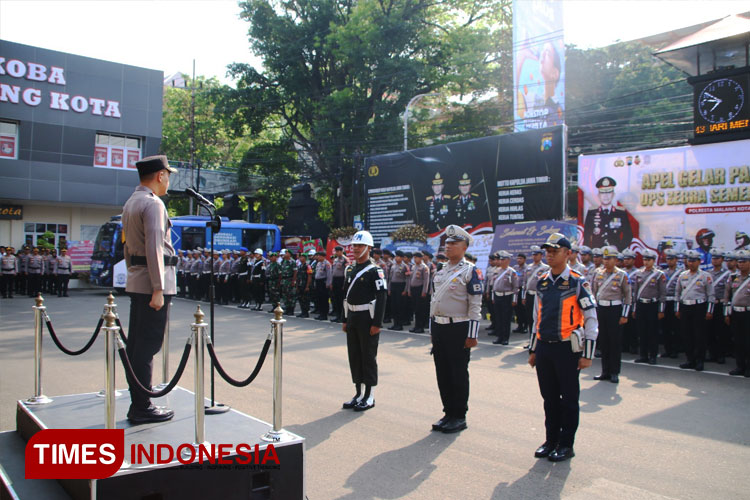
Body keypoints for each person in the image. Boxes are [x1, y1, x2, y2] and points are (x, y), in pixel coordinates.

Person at [528, 233, 598, 462]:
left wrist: (587, 354)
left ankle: (566, 444)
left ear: (568, 254)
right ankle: (551, 440)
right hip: (545, 348)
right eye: (547, 251)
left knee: (568, 398)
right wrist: (533, 350)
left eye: (554, 251)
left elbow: (591, 317)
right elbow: (536, 317)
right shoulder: (543, 281)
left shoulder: (578, 282)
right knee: (548, 397)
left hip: (567, 348)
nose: (549, 254)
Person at [121, 155, 177, 424]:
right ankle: (142, 406)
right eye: (168, 174)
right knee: (147, 346)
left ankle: (139, 400)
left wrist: (135, 276)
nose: (169, 179)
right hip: (153, 283)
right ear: (160, 175)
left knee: (136, 345)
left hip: (137, 279)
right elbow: (155, 247)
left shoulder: (132, 201)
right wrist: (158, 287)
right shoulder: (153, 204)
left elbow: (127, 247)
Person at [429, 225, 483, 434]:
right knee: (442, 372)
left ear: (464, 246)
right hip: (440, 327)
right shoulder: (441, 270)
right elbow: (434, 301)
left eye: (454, 243)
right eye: (447, 243)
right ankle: (448, 412)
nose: (448, 246)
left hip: (459, 328)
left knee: (458, 373)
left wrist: (472, 334)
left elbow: (475, 304)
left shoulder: (470, 271)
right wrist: (432, 329)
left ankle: (459, 415)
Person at [341, 231, 387, 412]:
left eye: (360, 246)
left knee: (368, 357)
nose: (356, 249)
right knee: (354, 356)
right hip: (352, 317)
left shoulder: (375, 271)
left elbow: (382, 297)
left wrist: (377, 323)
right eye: (354, 245)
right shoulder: (350, 269)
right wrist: (344, 319)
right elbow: (345, 296)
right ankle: (358, 393)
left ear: (368, 248)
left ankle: (369, 395)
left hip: (368, 319)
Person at [590, 246, 631, 384]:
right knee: (604, 342)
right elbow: (593, 293)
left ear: (615, 259)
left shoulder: (622, 275)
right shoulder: (597, 273)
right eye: (605, 258)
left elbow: (628, 296)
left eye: (609, 259)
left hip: (615, 310)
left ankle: (614, 372)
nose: (606, 261)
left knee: (614, 343)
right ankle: (605, 371)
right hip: (601, 309)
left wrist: (624, 315)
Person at [675, 250, 715, 372]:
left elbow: (711, 295)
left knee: (699, 335)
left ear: (699, 261)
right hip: (686, 307)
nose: (691, 263)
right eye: (689, 260)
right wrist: (677, 309)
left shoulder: (705, 276)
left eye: (693, 261)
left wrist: (709, 311)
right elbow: (677, 293)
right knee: (687, 334)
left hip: (699, 307)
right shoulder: (683, 275)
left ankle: (699, 361)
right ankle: (690, 359)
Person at [631, 249, 666, 365]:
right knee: (642, 331)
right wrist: (634, 309)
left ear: (654, 261)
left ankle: (653, 355)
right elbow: (635, 293)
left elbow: (662, 294)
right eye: (645, 260)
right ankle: (643, 355)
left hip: (653, 304)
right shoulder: (638, 273)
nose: (646, 262)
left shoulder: (659, 274)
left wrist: (661, 310)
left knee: (652, 332)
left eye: (648, 260)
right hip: (641, 304)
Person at [583, 176, 634, 251]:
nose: (605, 196)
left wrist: (618, 248)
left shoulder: (620, 213)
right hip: (597, 254)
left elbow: (628, 235)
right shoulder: (592, 212)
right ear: (598, 195)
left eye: (608, 192)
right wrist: (590, 252)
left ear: (613, 194)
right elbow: (587, 235)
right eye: (602, 193)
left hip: (614, 254)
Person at [725, 250, 750, 377]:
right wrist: (727, 313)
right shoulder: (733, 277)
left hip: (748, 314)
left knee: (748, 341)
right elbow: (727, 296)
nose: (741, 264)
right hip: (736, 313)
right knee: (738, 341)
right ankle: (740, 366)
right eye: (739, 262)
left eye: (744, 261)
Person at [708, 250, 732, 364]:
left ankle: (721, 355)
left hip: (721, 305)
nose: (715, 260)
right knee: (710, 330)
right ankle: (712, 354)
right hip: (711, 305)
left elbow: (729, 292)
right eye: (713, 258)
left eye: (717, 258)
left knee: (721, 331)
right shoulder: (708, 273)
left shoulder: (728, 274)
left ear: (722, 260)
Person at [522, 245, 549, 342]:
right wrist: (523, 296)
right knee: (530, 318)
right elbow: (524, 283)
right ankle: (531, 339)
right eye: (533, 255)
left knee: (539, 318)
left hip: (539, 296)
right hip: (529, 295)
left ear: (541, 255)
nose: (534, 257)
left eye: (537, 255)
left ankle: (539, 339)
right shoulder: (528, 267)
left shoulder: (545, 268)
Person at [492, 250, 519, 345]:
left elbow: (515, 287)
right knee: (498, 318)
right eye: (500, 259)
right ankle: (499, 337)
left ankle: (505, 338)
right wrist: (493, 297)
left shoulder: (512, 272)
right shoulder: (496, 271)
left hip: (507, 297)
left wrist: (514, 299)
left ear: (508, 260)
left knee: (506, 319)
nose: (501, 261)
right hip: (497, 296)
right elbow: (493, 286)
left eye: (503, 259)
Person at [661, 249, 682, 358]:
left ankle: (675, 350)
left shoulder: (681, 272)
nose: (669, 261)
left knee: (675, 328)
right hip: (665, 301)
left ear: (676, 260)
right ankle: (667, 349)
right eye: (668, 259)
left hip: (675, 301)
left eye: (672, 259)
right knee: (666, 327)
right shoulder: (663, 272)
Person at [408, 251, 430, 333]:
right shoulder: (414, 267)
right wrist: (409, 290)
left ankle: (420, 327)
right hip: (413, 289)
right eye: (414, 257)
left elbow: (426, 280)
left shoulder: (424, 267)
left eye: (416, 257)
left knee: (420, 309)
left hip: (420, 289)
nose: (415, 259)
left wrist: (424, 291)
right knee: (415, 309)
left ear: (421, 258)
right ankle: (416, 326)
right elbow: (410, 279)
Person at [388, 251, 409, 330]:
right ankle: (395, 324)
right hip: (393, 286)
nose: (397, 258)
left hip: (401, 287)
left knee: (399, 306)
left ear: (402, 258)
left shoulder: (405, 266)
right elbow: (390, 278)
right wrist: (389, 288)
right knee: (393, 306)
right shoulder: (393, 266)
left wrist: (405, 290)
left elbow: (407, 279)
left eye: (399, 256)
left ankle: (399, 325)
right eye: (396, 256)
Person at [330, 246, 349, 322]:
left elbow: (347, 273)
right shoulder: (335, 260)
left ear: (341, 251)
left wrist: (345, 284)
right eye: (336, 251)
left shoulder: (345, 260)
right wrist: (331, 282)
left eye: (338, 251)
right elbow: (333, 271)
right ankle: (338, 315)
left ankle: (343, 317)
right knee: (336, 299)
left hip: (341, 280)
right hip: (335, 280)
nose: (337, 253)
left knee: (342, 299)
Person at [513, 253, 529, 333]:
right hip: (516, 290)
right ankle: (519, 325)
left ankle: (525, 326)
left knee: (523, 309)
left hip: (523, 290)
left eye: (521, 258)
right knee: (517, 309)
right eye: (518, 258)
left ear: (524, 260)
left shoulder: (527, 268)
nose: (519, 260)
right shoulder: (515, 268)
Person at [314, 251, 332, 320]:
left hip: (323, 283)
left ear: (323, 257)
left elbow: (329, 274)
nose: (318, 257)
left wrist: (328, 284)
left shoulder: (327, 264)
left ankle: (324, 315)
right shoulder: (318, 263)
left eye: (319, 256)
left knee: (324, 299)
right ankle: (321, 314)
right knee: (319, 299)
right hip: (318, 282)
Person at [279, 249, 297, 315]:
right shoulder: (283, 261)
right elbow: (281, 271)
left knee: (291, 295)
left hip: (290, 279)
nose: (285, 254)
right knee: (285, 295)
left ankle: (291, 310)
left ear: (289, 254)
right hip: (284, 280)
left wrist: (294, 281)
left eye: (286, 253)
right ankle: (287, 308)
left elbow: (295, 271)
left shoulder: (292, 261)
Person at [296, 252, 313, 317]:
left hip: (305, 285)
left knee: (305, 299)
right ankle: (302, 311)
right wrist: (297, 285)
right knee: (300, 299)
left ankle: (306, 312)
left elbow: (309, 276)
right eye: (300, 257)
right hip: (300, 284)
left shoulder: (308, 266)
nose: (301, 258)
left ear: (305, 258)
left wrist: (307, 286)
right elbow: (298, 276)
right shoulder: (300, 266)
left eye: (302, 257)